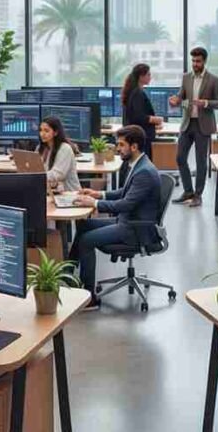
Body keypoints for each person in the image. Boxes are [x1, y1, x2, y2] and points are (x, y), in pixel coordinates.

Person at [70, 125, 161, 310]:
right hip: (128, 221)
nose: (117, 148)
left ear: (134, 147)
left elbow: (125, 204)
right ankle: (67, 276)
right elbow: (124, 193)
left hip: (135, 229)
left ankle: (89, 299)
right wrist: (98, 194)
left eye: (121, 144)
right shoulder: (139, 164)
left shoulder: (144, 171)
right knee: (84, 225)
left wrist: (93, 204)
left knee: (86, 241)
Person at [169, 47, 218, 207]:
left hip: (203, 125)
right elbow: (181, 95)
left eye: (198, 61)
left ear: (204, 61)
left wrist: (205, 103)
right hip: (187, 124)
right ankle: (188, 191)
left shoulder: (214, 80)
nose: (195, 64)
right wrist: (176, 100)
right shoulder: (186, 77)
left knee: (201, 162)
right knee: (180, 158)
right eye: (193, 61)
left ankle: (198, 195)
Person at [121, 63, 164, 159]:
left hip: (138, 135)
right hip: (141, 137)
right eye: (148, 74)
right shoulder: (137, 93)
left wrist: (153, 125)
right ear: (141, 76)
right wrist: (156, 120)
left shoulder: (134, 91)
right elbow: (138, 117)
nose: (150, 77)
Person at [36, 116, 81, 192]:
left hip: (69, 194)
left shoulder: (65, 149)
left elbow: (58, 175)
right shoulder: (41, 148)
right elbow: (36, 168)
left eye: (46, 131)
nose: (42, 134)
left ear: (56, 132)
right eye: (41, 130)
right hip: (50, 192)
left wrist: (36, 177)